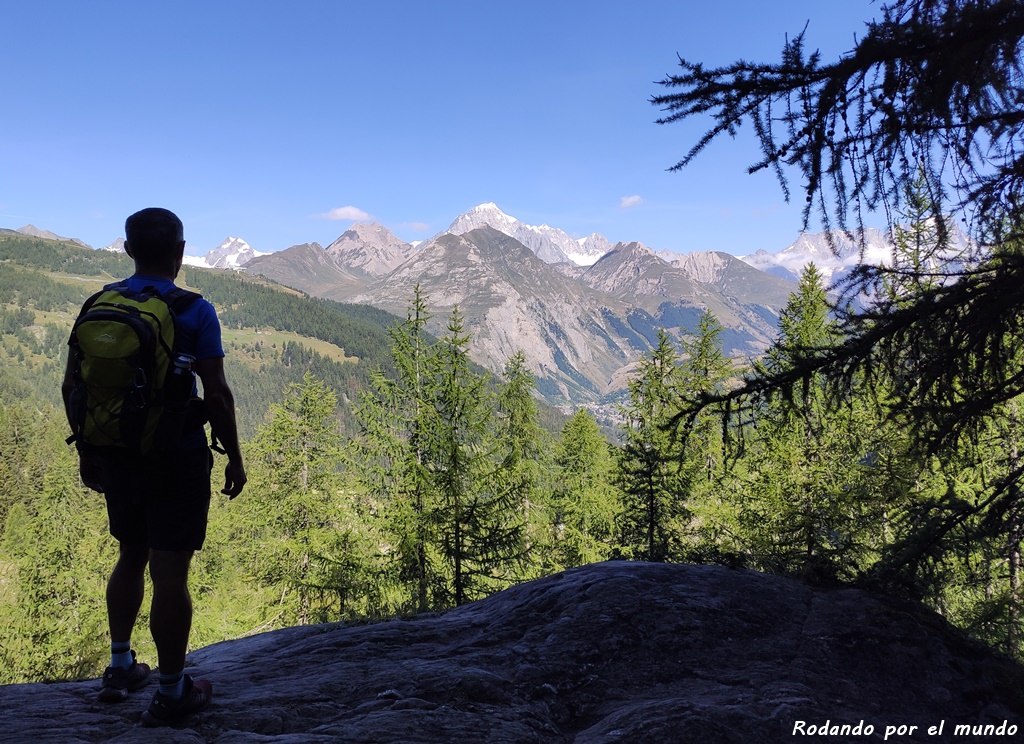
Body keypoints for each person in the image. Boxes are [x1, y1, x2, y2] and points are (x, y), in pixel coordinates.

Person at [61, 207, 246, 727]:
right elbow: (219, 395)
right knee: (171, 573)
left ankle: (120, 666)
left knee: (129, 555)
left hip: (116, 452)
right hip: (175, 456)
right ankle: (171, 691)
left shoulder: (100, 303)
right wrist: (233, 456)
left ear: (126, 249)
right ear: (180, 253)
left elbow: (72, 386)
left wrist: (88, 451)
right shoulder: (194, 309)